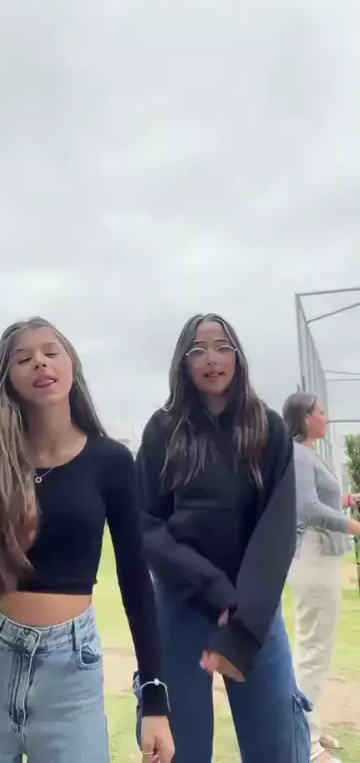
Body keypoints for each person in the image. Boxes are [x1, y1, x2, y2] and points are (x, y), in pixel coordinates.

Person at [0, 316, 174, 763]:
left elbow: (136, 584)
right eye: (23, 358)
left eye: (50, 352)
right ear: (8, 379)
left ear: (71, 365)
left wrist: (155, 700)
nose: (40, 363)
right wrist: (5, 549)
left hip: (72, 675)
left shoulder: (111, 461)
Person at [135, 313, 311, 763]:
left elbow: (277, 528)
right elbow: (144, 524)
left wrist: (243, 614)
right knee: (181, 748)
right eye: (198, 350)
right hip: (181, 604)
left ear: (237, 356)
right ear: (183, 363)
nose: (211, 358)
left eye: (221, 347)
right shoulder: (163, 430)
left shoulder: (268, 428)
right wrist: (212, 586)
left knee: (275, 744)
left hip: (252, 613)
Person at [283, 392, 360, 763]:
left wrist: (346, 501)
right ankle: (308, 743)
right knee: (314, 649)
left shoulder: (309, 454)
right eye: (321, 412)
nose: (326, 418)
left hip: (320, 558)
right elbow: (308, 508)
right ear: (305, 417)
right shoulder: (298, 454)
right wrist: (354, 526)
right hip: (312, 557)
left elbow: (321, 499)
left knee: (314, 647)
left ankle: (309, 723)